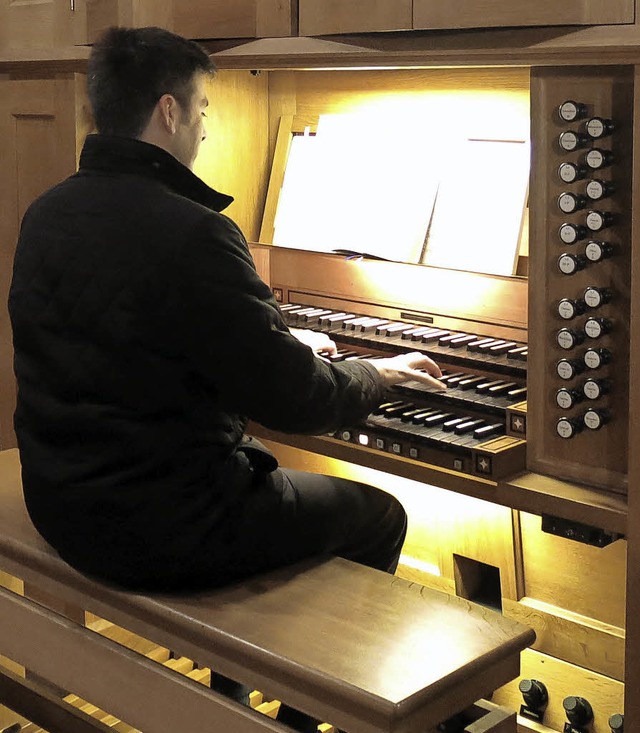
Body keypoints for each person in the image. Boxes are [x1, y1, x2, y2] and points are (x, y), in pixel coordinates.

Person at [8, 26, 445, 731]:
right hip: (162, 526)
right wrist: (373, 373)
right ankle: (304, 715)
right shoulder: (193, 232)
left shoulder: (48, 211)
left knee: (274, 482)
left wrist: (272, 336)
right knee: (379, 516)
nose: (207, 131)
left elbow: (135, 338)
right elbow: (293, 399)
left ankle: (233, 691)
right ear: (169, 112)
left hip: (62, 495)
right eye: (205, 109)